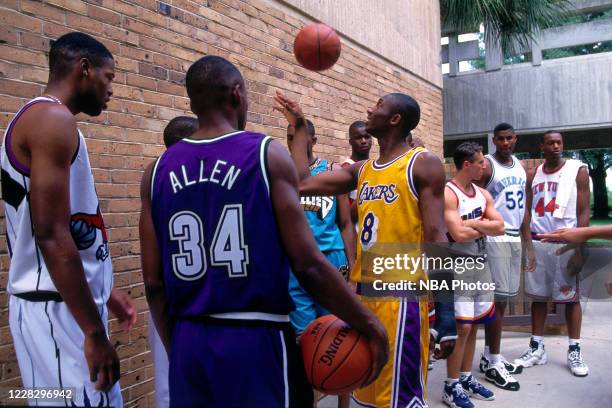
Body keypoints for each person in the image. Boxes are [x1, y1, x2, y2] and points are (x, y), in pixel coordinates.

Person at [139, 55, 389, 408]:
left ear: (192, 101)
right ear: (238, 94)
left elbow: (153, 284)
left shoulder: (156, 171)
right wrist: (371, 325)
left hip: (189, 338)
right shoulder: (264, 153)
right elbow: (307, 264)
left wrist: (176, 348)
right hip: (256, 336)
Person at [275, 91, 457, 408]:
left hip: (401, 299)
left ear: (395, 119)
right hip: (364, 297)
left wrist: (445, 313)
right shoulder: (362, 170)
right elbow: (301, 183)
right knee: (369, 396)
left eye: (378, 106)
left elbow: (437, 234)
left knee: (402, 399)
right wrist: (299, 125)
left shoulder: (422, 163)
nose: (369, 109)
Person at [0, 32, 136, 407]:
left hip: (62, 304)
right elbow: (50, 233)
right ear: (85, 68)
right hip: (55, 311)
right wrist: (93, 333)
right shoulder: (51, 119)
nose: (111, 89)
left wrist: (104, 293)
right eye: (108, 78)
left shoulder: (49, 120)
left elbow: (64, 225)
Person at [286, 119, 355, 408]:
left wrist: (353, 268)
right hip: (295, 264)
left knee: (342, 336)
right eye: (288, 137)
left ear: (311, 140)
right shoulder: (282, 173)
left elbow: (345, 222)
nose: (292, 142)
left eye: (297, 137)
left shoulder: (332, 173)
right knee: (305, 342)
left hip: (331, 260)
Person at [513, 131, 590, 377]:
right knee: (538, 297)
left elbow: (583, 210)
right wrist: (528, 245)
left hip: (565, 242)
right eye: (551, 143)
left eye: (559, 142)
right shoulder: (533, 174)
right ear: (542, 147)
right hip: (538, 240)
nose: (556, 146)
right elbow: (526, 210)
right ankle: (537, 348)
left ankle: (574, 350)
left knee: (570, 298)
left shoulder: (578, 170)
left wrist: (580, 247)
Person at [444, 142, 504, 408]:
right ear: (467, 164)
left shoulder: (482, 193)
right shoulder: (448, 193)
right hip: (456, 267)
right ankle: (450, 385)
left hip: (480, 265)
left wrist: (472, 223)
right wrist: (484, 226)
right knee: (462, 327)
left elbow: (501, 226)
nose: (485, 165)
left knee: (475, 323)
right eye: (480, 162)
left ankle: (466, 377)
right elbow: (457, 235)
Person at [147, 115, 199, 408]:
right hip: (191, 298)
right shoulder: (202, 181)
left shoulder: (155, 179)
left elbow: (151, 279)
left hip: (170, 296)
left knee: (170, 386)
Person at [475, 123, 530, 390]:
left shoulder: (519, 165)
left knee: (505, 300)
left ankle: (489, 356)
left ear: (515, 139)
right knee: (497, 300)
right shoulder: (487, 164)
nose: (505, 143)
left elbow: (524, 206)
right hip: (496, 236)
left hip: (514, 236)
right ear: (493, 139)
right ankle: (493, 360)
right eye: (500, 139)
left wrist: (528, 243)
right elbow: (472, 196)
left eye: (509, 138)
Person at [341, 120, 372, 224]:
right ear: (350, 142)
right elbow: (343, 215)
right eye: (358, 138)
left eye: (367, 137)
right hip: (356, 232)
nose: (363, 141)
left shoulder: (374, 166)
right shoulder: (346, 168)